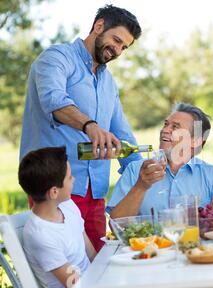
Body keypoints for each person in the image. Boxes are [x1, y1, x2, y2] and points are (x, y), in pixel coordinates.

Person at [19, 5, 142, 252]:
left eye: (124, 47)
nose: (117, 50)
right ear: (99, 26)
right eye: (116, 40)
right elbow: (54, 102)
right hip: (54, 187)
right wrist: (90, 126)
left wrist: (143, 174)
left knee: (99, 263)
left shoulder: (108, 82)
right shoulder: (56, 58)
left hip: (95, 191)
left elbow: (122, 132)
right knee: (68, 269)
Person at [108, 103, 213, 218]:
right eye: (166, 124)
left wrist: (210, 212)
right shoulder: (135, 170)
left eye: (175, 127)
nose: (165, 130)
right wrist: (141, 186)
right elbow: (116, 223)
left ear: (196, 141)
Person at [18, 147, 96, 288]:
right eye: (69, 177)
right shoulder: (40, 235)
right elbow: (76, 287)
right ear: (54, 192)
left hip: (95, 286)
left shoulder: (67, 206)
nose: (73, 179)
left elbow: (91, 253)